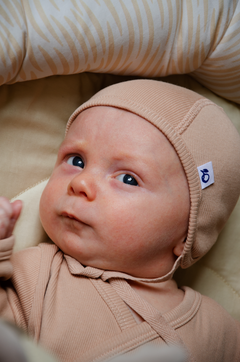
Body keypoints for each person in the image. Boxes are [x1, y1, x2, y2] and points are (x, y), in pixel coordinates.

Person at [0, 79, 240, 362]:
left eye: (128, 178)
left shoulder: (219, 331)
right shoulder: (37, 274)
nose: (81, 182)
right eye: (76, 160)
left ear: (188, 234)